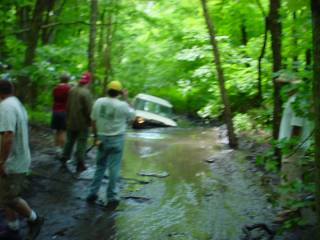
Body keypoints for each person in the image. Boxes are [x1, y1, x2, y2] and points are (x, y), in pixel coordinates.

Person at [0, 80, 44, 240]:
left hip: (13, 162)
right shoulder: (16, 103)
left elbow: (8, 136)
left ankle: (35, 219)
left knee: (9, 197)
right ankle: (13, 227)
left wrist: (1, 161)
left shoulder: (6, 107)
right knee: (4, 194)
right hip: (17, 159)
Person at [86, 81, 135, 206]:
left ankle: (92, 193)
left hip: (102, 137)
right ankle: (112, 196)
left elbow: (93, 120)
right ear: (119, 92)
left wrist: (95, 136)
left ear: (107, 90)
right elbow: (133, 116)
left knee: (100, 166)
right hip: (117, 139)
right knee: (114, 168)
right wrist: (126, 97)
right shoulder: (123, 105)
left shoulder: (98, 102)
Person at [60, 72, 93, 172]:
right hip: (82, 123)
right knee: (81, 142)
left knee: (69, 141)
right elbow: (89, 110)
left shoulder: (72, 90)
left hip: (70, 121)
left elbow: (67, 106)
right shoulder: (86, 93)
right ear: (88, 81)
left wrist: (67, 118)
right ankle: (80, 164)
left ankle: (64, 158)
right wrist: (90, 121)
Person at [51, 73, 71, 157]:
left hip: (55, 111)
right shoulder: (69, 89)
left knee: (56, 131)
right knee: (63, 131)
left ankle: (56, 149)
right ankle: (62, 150)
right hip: (64, 112)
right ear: (67, 80)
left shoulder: (55, 88)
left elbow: (53, 98)